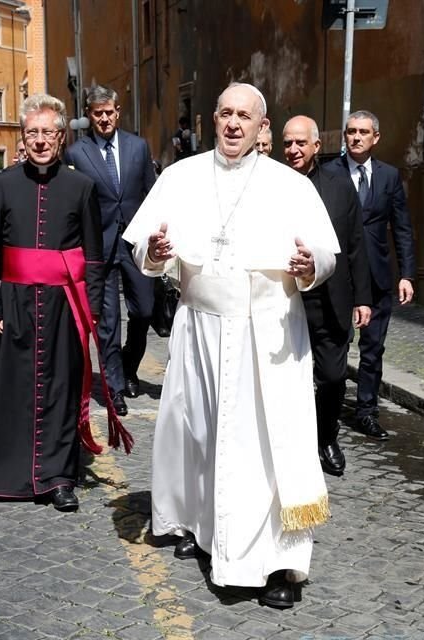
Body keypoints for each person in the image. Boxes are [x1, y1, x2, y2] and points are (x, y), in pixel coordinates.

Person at [122, 82, 339, 609]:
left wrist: (310, 268)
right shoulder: (181, 176)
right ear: (213, 119)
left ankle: (277, 565)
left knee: (265, 449)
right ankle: (202, 530)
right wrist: (154, 253)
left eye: (245, 115)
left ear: (263, 126)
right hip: (199, 327)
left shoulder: (290, 186)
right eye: (226, 114)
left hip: (266, 332)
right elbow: (148, 255)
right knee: (201, 436)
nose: (234, 124)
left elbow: (326, 255)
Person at [0, 94, 130, 512]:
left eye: (48, 132)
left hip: (65, 305)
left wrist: (92, 306)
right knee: (14, 388)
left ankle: (60, 477)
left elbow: (93, 254)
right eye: (32, 133)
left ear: (61, 138)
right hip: (15, 302)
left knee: (61, 390)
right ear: (23, 138)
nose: (40, 140)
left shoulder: (81, 187)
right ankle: (14, 473)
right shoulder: (3, 184)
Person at [283, 115, 372, 477]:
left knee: (333, 377)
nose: (293, 150)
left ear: (316, 146)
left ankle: (326, 437)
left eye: (300, 143)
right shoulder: (270, 186)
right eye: (287, 143)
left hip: (330, 300)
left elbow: (355, 246)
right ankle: (288, 444)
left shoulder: (338, 187)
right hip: (284, 299)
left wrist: (362, 298)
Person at [64, 85, 157, 416]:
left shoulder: (138, 147)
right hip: (97, 246)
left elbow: (151, 193)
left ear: (118, 112)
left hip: (134, 243)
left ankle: (129, 367)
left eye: (109, 112)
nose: (104, 118)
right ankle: (114, 388)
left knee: (144, 310)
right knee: (107, 323)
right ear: (89, 115)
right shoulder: (77, 153)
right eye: (97, 113)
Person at [327, 110, 417, 441]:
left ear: (375, 137)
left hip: (378, 275)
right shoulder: (329, 173)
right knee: (336, 347)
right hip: (339, 277)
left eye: (363, 132)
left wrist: (407, 274)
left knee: (373, 349)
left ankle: (366, 412)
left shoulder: (389, 177)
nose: (356, 137)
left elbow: (403, 228)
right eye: (351, 131)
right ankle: (329, 412)